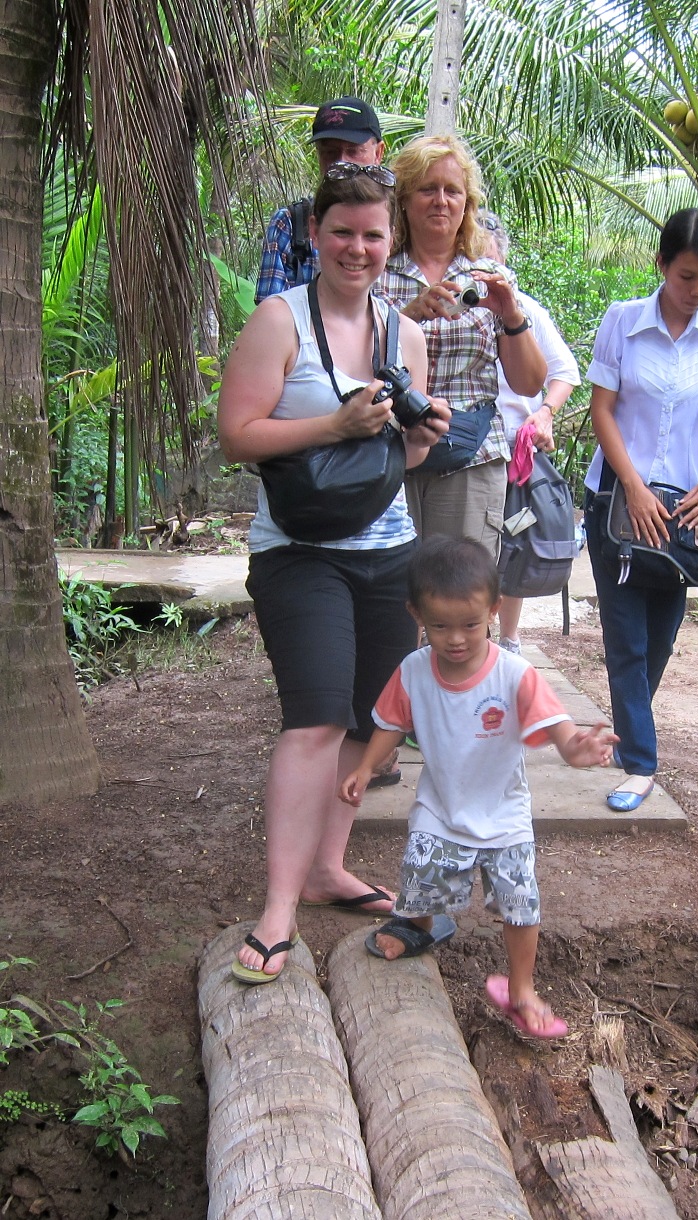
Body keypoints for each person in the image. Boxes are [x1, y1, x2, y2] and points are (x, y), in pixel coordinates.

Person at [218, 165, 450, 984]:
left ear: (392, 242)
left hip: (387, 553)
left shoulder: (405, 335)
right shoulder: (277, 321)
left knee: (363, 723)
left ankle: (327, 868)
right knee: (314, 721)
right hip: (299, 551)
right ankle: (279, 908)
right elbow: (237, 435)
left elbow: (395, 462)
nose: (358, 248)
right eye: (342, 232)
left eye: (372, 235)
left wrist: (422, 437)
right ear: (314, 235)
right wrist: (333, 423)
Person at [340, 536, 616, 1036]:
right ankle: (418, 927)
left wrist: (578, 750)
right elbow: (390, 725)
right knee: (422, 881)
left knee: (520, 902)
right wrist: (364, 768)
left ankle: (522, 988)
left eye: (470, 624)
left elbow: (561, 732)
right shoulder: (413, 671)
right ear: (416, 614)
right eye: (439, 626)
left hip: (504, 815)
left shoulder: (514, 675)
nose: (456, 639)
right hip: (441, 808)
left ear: (493, 609)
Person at [583, 208, 698, 812]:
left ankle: (629, 727)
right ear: (661, 265)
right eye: (686, 276)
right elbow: (602, 409)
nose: (697, 290)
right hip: (618, 503)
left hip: (685, 512)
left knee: (660, 638)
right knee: (626, 638)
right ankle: (640, 763)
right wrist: (632, 485)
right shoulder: (623, 322)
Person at [379, 136, 547, 558]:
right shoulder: (377, 272)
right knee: (392, 588)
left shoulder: (487, 275)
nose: (441, 201)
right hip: (388, 451)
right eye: (427, 189)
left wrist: (511, 315)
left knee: (459, 588)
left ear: (467, 204)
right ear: (404, 200)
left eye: (452, 191)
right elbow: (352, 361)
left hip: (472, 455)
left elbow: (529, 383)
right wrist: (409, 316)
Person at [477, 209, 580, 654]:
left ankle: (509, 640)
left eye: (490, 262)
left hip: (515, 458)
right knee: (470, 550)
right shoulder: (446, 304)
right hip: (466, 452)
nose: (482, 273)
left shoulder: (525, 310)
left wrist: (545, 414)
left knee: (513, 540)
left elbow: (565, 371)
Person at [255, 97, 386, 304]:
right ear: (314, 230)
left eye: (353, 151)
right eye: (330, 153)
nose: (341, 162)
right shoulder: (290, 224)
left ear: (378, 153)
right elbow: (269, 315)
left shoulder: (402, 223)